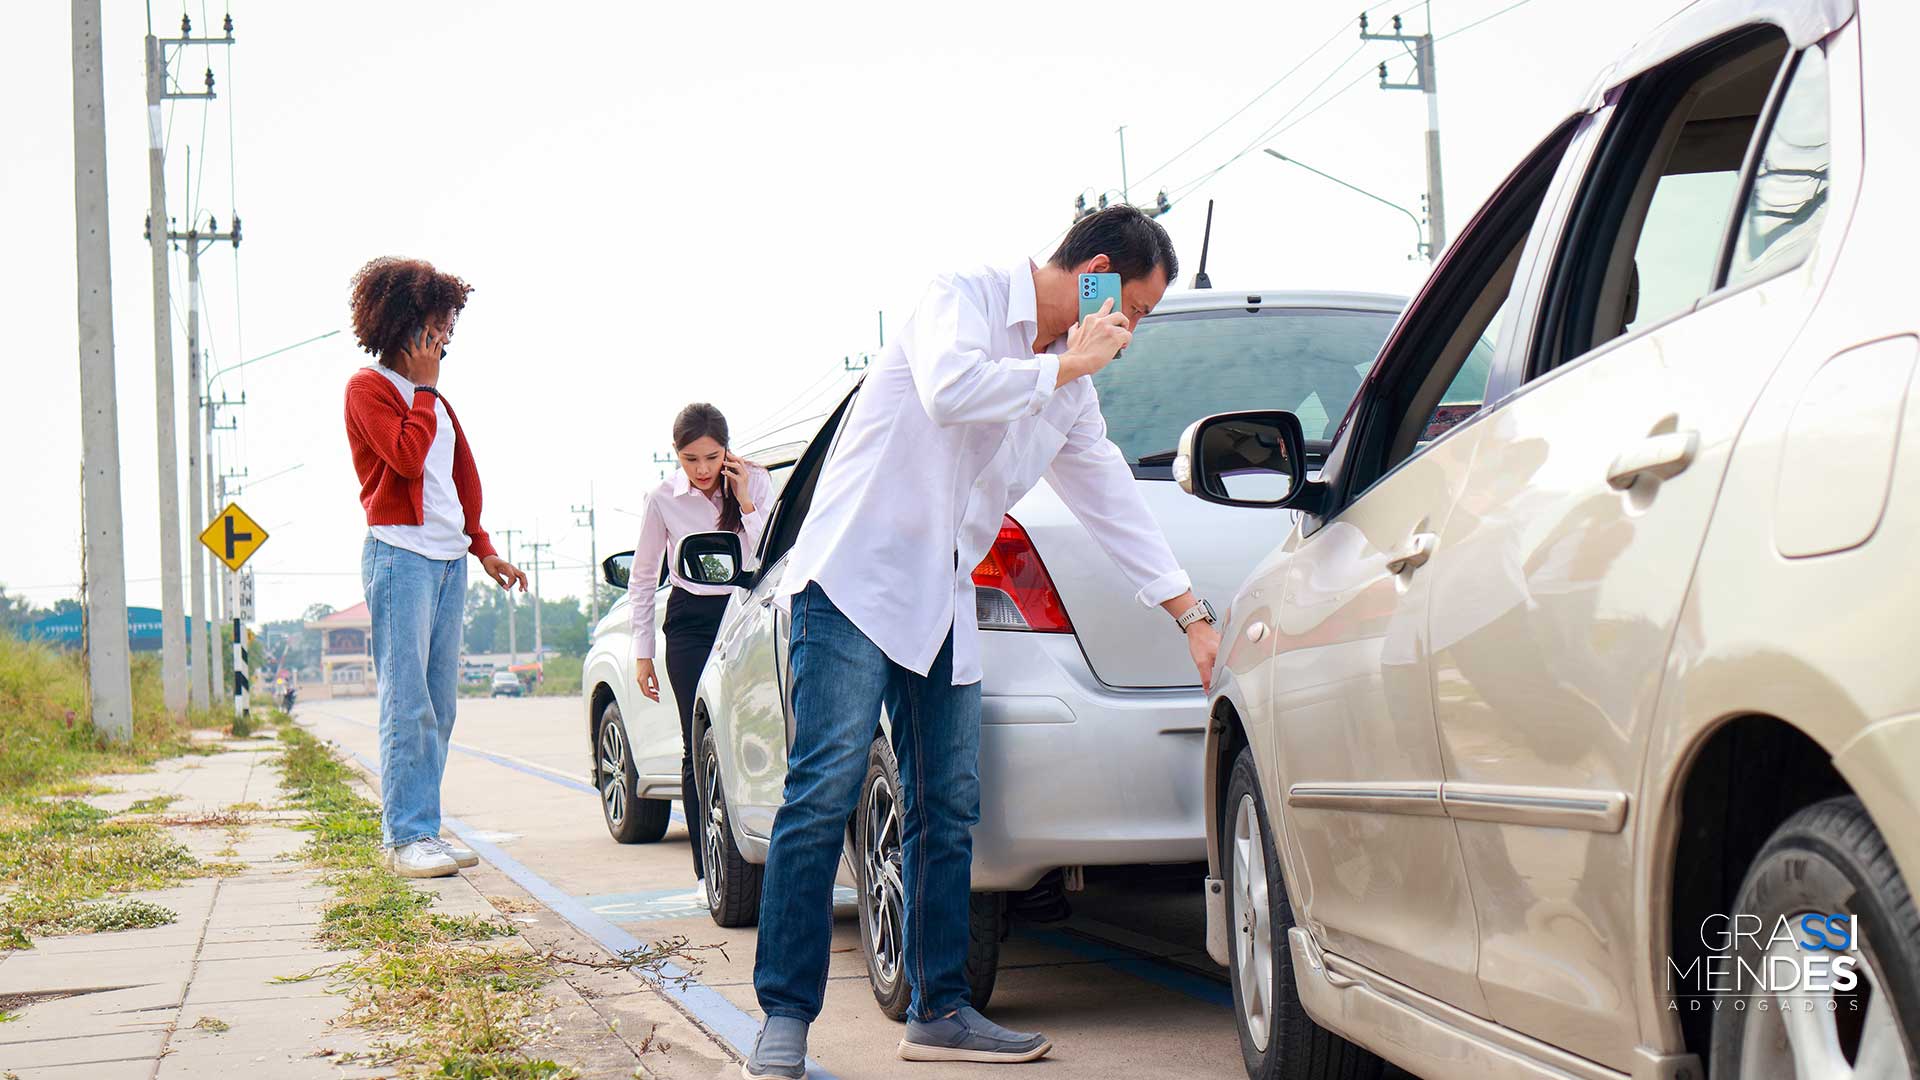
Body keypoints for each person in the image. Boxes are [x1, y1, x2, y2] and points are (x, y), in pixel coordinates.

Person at [742, 205, 1223, 1079]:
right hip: (852, 584)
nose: (1131, 333)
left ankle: (940, 1011)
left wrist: (1189, 614)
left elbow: (1108, 496)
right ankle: (784, 1018)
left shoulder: (1071, 393)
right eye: (1136, 310)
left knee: (948, 809)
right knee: (821, 798)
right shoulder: (958, 296)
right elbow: (950, 390)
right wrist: (1064, 368)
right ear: (1100, 274)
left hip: (943, 604)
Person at [342, 256, 529, 880]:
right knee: (408, 702)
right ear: (401, 324)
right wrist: (422, 390)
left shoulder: (436, 402)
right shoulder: (369, 390)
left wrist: (484, 549)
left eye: (448, 327)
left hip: (450, 564)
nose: (444, 339)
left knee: (441, 708)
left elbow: (454, 487)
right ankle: (405, 837)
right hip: (401, 558)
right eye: (434, 326)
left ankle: (423, 825)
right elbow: (403, 458)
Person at [628, 403, 772, 893]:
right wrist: (643, 652)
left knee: (750, 737)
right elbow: (644, 577)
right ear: (677, 455)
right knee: (699, 741)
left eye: (711, 457)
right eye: (691, 459)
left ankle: (758, 850)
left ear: (726, 449)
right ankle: (707, 870)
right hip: (689, 623)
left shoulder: (755, 480)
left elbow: (768, 556)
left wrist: (745, 499)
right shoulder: (662, 499)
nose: (703, 469)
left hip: (745, 616)